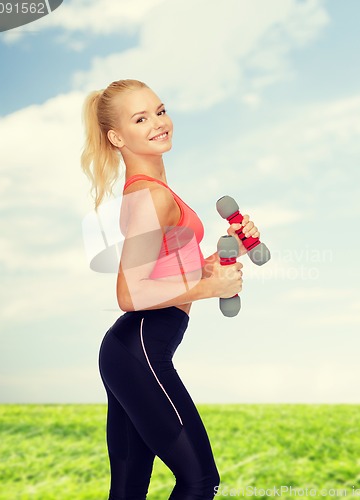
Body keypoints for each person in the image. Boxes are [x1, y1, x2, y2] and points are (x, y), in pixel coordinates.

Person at [80, 79, 260, 500]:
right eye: (140, 118)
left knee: (128, 491)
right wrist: (209, 287)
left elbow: (167, 273)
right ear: (117, 137)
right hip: (139, 352)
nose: (159, 123)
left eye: (160, 111)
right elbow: (129, 294)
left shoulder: (157, 193)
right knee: (199, 481)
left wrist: (215, 262)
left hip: (129, 352)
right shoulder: (146, 195)